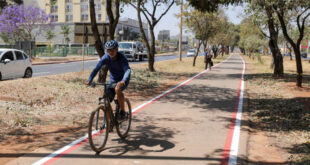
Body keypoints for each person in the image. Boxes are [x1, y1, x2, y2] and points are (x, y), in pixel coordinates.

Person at [84, 40, 131, 119]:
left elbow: (127, 70)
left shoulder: (122, 58)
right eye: (108, 50)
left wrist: (123, 80)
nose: (110, 52)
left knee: (117, 89)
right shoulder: (105, 57)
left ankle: (122, 111)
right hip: (113, 80)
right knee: (106, 100)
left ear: (116, 50)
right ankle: (110, 122)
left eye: (112, 50)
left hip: (123, 79)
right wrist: (90, 79)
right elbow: (96, 69)